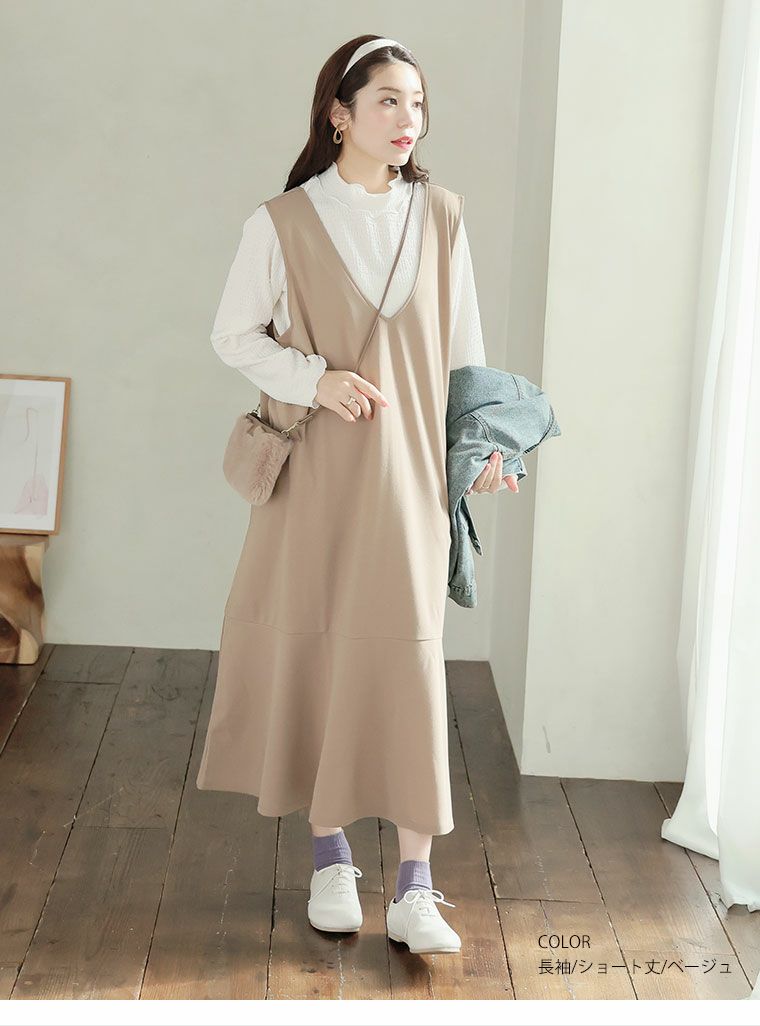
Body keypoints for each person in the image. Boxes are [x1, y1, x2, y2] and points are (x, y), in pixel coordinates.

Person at [196, 34, 518, 956]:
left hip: (409, 476)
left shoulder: (441, 215)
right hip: (316, 477)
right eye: (387, 101)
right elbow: (233, 335)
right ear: (340, 113)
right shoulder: (282, 222)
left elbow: (465, 351)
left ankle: (416, 886)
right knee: (319, 653)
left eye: (417, 103)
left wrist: (482, 449)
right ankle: (331, 857)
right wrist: (316, 379)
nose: (408, 120)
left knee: (408, 661)